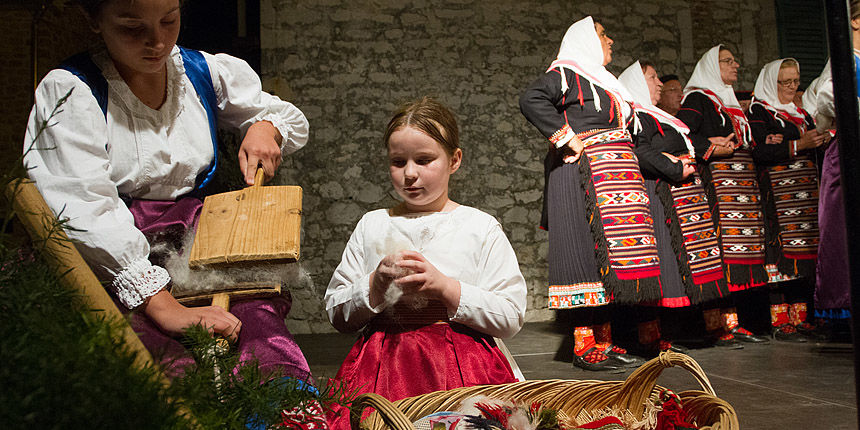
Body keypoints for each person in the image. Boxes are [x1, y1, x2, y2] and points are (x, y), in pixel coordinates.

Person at [23, 0, 313, 382]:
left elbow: (282, 114)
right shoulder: (71, 91)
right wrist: (162, 305)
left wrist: (265, 127)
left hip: (196, 248)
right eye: (132, 27)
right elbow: (82, 208)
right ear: (94, 20)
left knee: (262, 340)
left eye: (169, 20)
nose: (156, 42)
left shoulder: (200, 72)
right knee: (161, 366)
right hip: (113, 260)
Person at [324, 97, 527, 428]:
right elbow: (336, 311)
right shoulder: (372, 224)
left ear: (454, 160)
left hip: (464, 372)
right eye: (398, 161)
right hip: (383, 371)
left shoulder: (478, 227)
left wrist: (446, 288)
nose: (410, 174)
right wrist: (374, 285)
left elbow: (511, 315)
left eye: (424, 159)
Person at [520, 16, 656, 370]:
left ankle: (605, 342)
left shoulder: (608, 85)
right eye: (602, 34)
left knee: (608, 261)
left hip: (616, 180)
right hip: (583, 175)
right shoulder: (566, 74)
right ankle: (584, 345)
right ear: (584, 40)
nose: (610, 40)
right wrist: (565, 137)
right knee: (584, 254)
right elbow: (531, 98)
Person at [619, 61, 728, 354]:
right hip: (660, 197)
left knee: (681, 267)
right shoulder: (637, 115)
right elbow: (640, 151)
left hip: (681, 198)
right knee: (662, 266)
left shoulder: (661, 117)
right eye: (652, 78)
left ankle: (678, 332)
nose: (658, 84)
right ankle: (649, 338)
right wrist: (674, 166)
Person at [676, 45, 770, 347]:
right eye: (727, 61)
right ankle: (716, 325)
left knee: (738, 254)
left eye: (734, 60)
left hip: (740, 186)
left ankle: (734, 322)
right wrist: (709, 144)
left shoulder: (727, 99)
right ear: (711, 67)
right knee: (719, 252)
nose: (736, 65)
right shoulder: (697, 99)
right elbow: (682, 133)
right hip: (717, 185)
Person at [748, 58, 827, 341]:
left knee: (805, 254)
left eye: (796, 81)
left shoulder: (801, 112)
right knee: (780, 253)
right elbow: (759, 149)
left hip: (805, 193)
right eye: (786, 82)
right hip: (778, 194)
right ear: (772, 82)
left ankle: (802, 317)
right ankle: (780, 320)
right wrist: (798, 145)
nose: (793, 87)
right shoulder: (760, 111)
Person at [809, 0, 860, 322]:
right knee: (846, 230)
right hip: (850, 151)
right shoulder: (846, 60)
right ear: (853, 22)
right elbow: (825, 100)